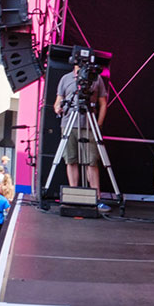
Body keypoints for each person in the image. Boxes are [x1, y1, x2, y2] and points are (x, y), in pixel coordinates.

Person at [53, 60, 109, 203]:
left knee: (91, 161)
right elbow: (58, 101)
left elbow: (103, 103)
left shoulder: (96, 78)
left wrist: (99, 123)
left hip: (89, 125)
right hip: (69, 123)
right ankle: (74, 196)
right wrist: (58, 107)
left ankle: (96, 198)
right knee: (71, 159)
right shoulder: (65, 79)